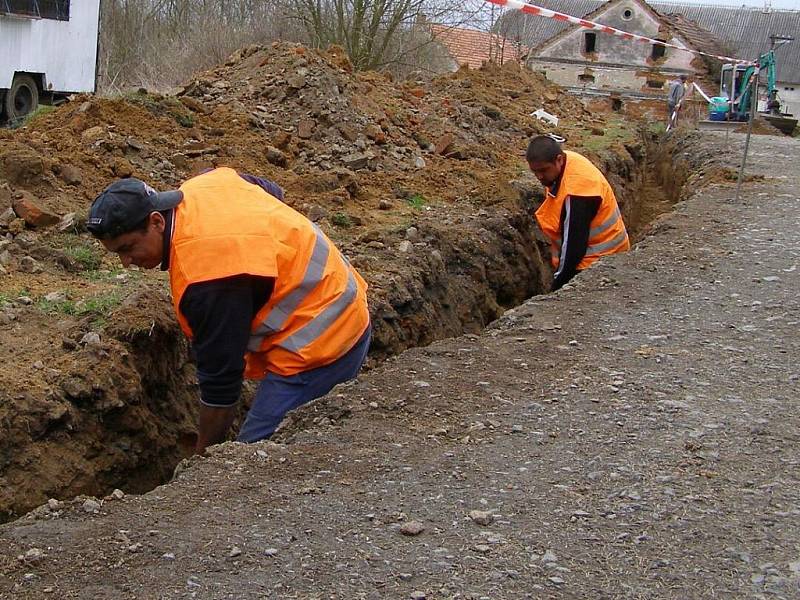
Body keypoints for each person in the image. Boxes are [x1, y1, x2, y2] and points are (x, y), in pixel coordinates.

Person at [86, 167, 371, 453]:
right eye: (117, 253)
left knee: (251, 462)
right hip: (340, 295)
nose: (126, 262)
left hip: (325, 340)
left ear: (157, 221)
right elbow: (270, 189)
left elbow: (221, 385)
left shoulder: (209, 278)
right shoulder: (207, 184)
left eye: (128, 248)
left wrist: (204, 460)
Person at [526, 134, 630, 291]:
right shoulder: (569, 161)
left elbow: (573, 249)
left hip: (600, 261)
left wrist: (557, 285)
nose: (539, 176)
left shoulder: (577, 194)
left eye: (543, 170)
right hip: (605, 253)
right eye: (535, 172)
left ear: (559, 160)